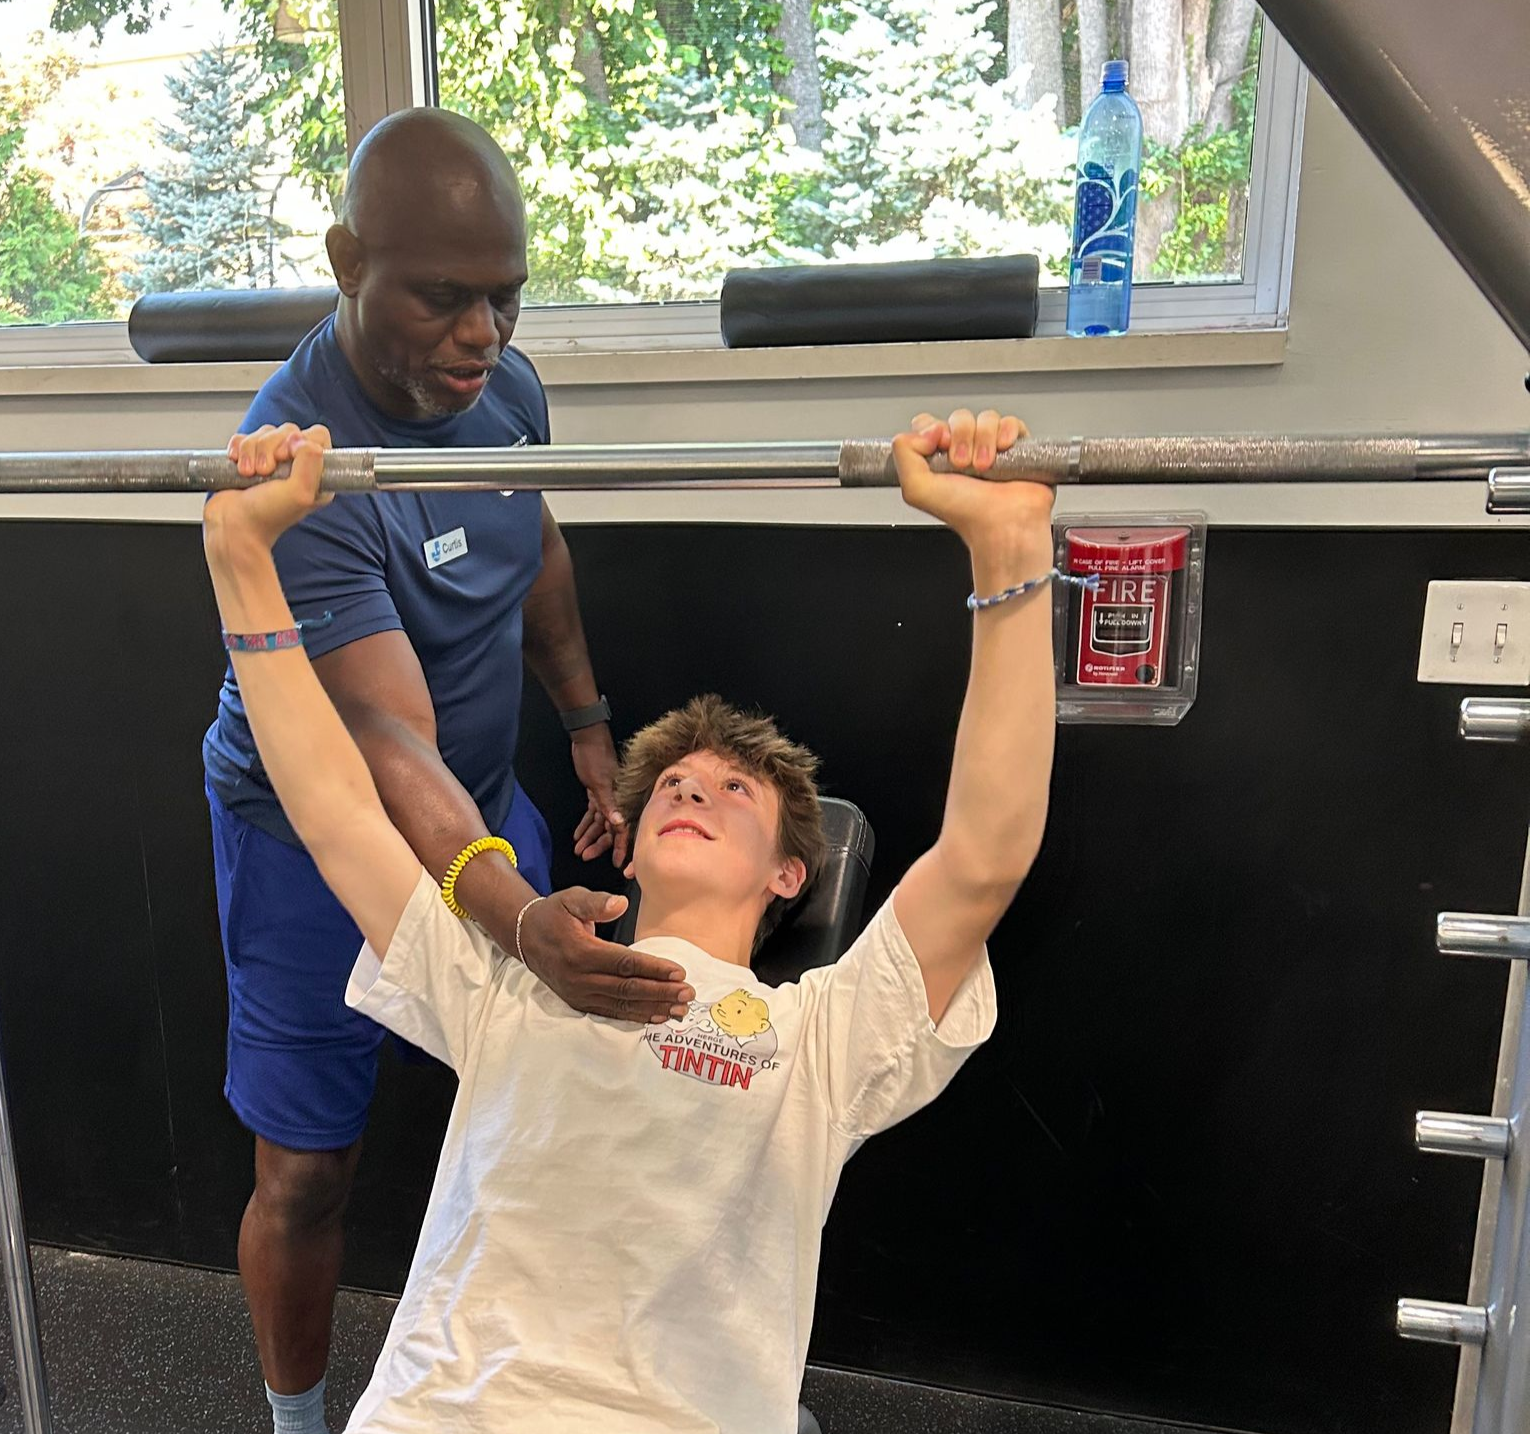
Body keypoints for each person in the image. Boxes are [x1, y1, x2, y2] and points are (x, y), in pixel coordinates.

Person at [203, 405, 1054, 1432]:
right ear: (632, 842)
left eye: (734, 790)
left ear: (790, 874)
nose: (693, 790)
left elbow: (982, 859)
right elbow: (338, 813)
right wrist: (241, 558)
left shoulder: (822, 1039)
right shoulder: (512, 991)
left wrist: (1009, 552)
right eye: (674, 786)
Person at [201, 107, 691, 1434]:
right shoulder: (299, 466)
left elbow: (536, 547)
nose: (483, 333)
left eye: (504, 298)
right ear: (347, 260)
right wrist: (516, 915)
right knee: (309, 1173)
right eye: (443, 299)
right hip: (311, 848)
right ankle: (298, 1424)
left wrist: (584, 721)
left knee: (560, 1109)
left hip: (478, 802)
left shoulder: (502, 391)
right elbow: (383, 740)